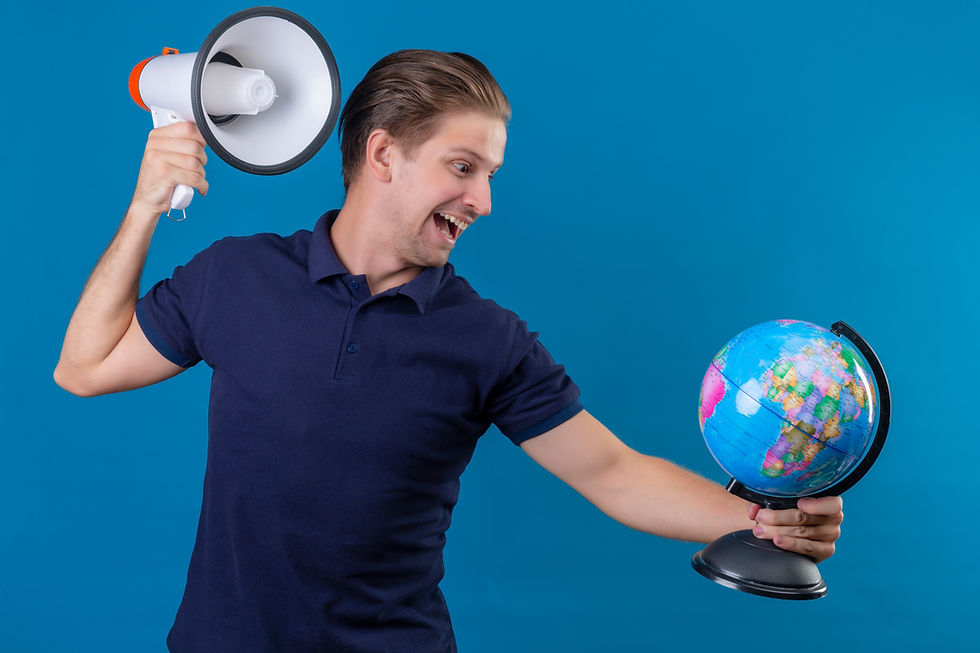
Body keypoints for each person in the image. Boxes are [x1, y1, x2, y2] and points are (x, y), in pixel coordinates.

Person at [54, 50, 843, 652]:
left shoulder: (488, 339)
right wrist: (144, 206)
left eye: (490, 174)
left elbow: (615, 474)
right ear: (384, 153)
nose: (484, 201)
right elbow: (83, 367)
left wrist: (765, 517)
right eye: (463, 168)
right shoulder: (236, 274)